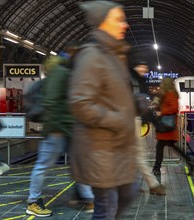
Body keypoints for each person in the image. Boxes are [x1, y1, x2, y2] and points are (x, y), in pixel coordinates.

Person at [68, 1, 138, 219]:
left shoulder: (113, 55)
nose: (125, 25)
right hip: (101, 149)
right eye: (118, 19)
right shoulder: (92, 55)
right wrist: (116, 119)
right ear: (102, 23)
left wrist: (135, 103)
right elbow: (80, 102)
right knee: (107, 208)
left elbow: (111, 94)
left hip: (116, 148)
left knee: (127, 194)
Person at [26, 42, 94, 217]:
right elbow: (53, 103)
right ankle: (33, 202)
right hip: (57, 131)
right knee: (43, 166)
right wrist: (61, 127)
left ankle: (89, 199)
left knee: (78, 164)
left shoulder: (62, 74)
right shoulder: (61, 74)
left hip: (64, 130)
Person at [129, 56, 166, 195]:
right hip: (130, 120)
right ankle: (153, 184)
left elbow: (145, 106)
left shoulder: (140, 81)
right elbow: (141, 105)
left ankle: (130, 184)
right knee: (138, 154)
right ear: (135, 67)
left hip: (134, 119)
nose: (144, 69)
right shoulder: (132, 81)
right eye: (142, 66)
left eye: (146, 67)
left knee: (133, 154)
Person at [152, 77, 194, 176]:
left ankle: (156, 168)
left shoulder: (170, 94)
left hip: (167, 127)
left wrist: (161, 112)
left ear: (166, 84)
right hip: (168, 127)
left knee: (160, 147)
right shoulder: (169, 94)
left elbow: (174, 108)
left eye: (162, 84)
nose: (161, 85)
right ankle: (190, 163)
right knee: (171, 147)